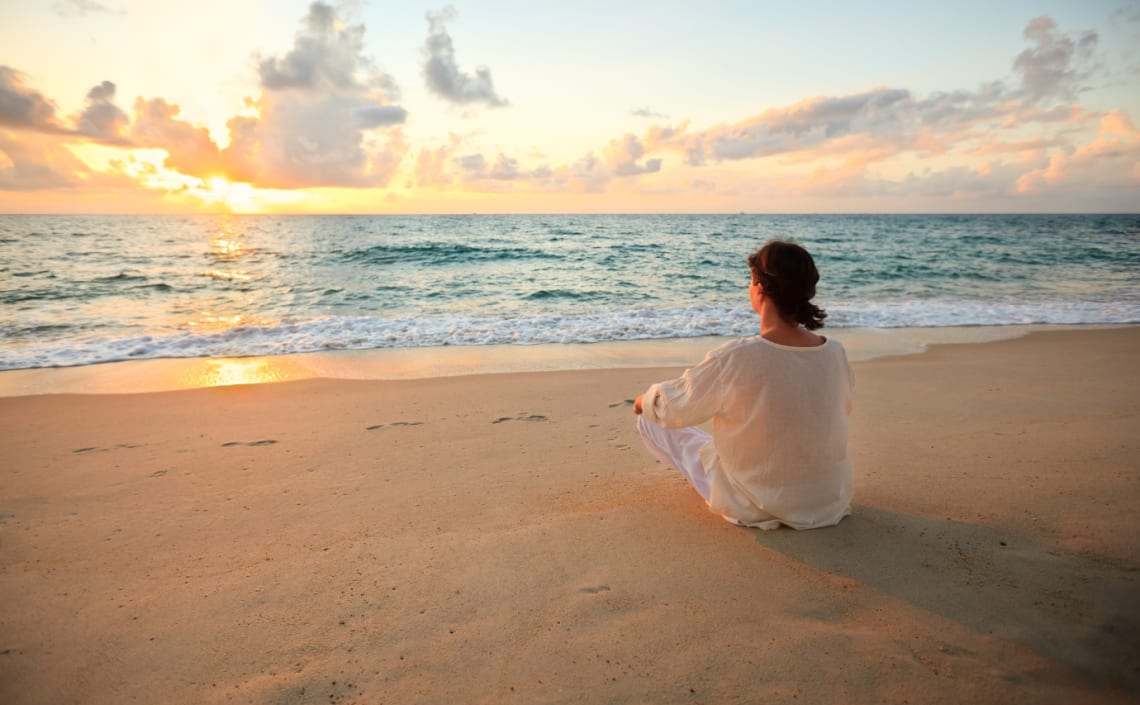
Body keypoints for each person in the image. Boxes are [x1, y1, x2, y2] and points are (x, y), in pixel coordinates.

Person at [633, 240, 854, 530]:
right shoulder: (834, 352)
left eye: (751, 281)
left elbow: (670, 406)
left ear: (760, 288)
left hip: (754, 503)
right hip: (826, 501)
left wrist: (641, 401)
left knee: (650, 419)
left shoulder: (738, 356)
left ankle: (717, 487)